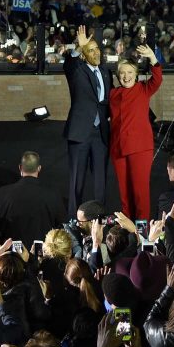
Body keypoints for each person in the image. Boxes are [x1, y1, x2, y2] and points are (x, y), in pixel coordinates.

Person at [107, 47, 162, 220]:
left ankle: (142, 229)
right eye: (122, 73)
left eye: (130, 72)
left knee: (140, 191)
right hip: (118, 149)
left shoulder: (143, 89)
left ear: (136, 74)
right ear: (117, 75)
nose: (126, 76)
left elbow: (158, 78)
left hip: (139, 147)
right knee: (124, 192)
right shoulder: (113, 94)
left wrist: (152, 57)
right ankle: (127, 226)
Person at [63, 25, 112, 213]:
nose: (96, 53)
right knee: (77, 179)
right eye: (91, 50)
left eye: (97, 48)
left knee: (100, 180)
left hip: (101, 134)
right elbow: (68, 65)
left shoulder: (106, 73)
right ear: (84, 54)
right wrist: (78, 48)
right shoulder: (77, 71)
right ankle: (74, 220)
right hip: (81, 132)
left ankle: (99, 217)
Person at [0, 151, 66, 248]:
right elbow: (61, 226)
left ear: (20, 167)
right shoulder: (53, 194)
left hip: (13, 254)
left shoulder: (4, 192)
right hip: (42, 252)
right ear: (39, 168)